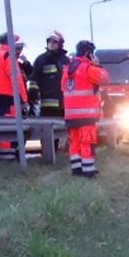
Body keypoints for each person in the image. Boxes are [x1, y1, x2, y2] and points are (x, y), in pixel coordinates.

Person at [61, 40, 109, 177]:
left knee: (74, 143)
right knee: (87, 142)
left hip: (70, 115)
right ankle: (89, 172)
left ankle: (76, 170)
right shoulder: (87, 68)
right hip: (86, 114)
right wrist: (97, 65)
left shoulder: (67, 70)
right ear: (88, 53)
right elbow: (105, 78)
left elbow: (63, 89)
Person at [0, 33, 29, 160]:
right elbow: (16, 80)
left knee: (4, 129)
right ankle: (10, 158)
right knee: (13, 129)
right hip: (11, 98)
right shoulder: (8, 57)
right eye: (18, 46)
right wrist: (24, 99)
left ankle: (4, 157)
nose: (19, 50)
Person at [30, 30, 68, 118]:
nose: (51, 43)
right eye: (49, 41)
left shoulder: (66, 61)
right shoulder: (41, 59)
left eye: (54, 41)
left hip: (65, 105)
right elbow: (34, 79)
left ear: (60, 43)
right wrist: (33, 94)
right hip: (47, 106)